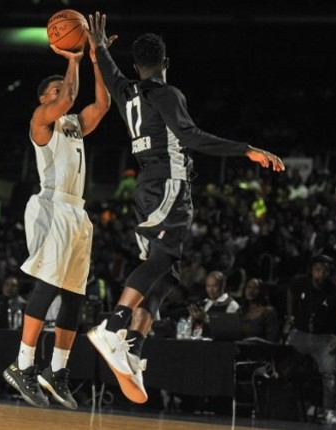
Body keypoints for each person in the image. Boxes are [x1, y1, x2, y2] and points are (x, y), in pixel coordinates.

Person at [84, 12, 285, 405]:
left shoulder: (126, 91)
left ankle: (133, 348)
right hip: (168, 184)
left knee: (165, 278)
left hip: (147, 187)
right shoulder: (166, 93)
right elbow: (191, 136)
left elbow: (109, 72)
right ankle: (113, 325)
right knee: (160, 264)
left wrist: (99, 49)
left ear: (137, 64)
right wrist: (247, 149)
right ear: (165, 62)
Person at [0, 33, 112, 410]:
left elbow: (103, 102)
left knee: (75, 298)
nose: (64, 91)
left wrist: (98, 57)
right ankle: (23, 364)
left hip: (77, 212)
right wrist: (74, 59)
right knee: (46, 288)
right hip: (52, 206)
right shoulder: (41, 120)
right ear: (44, 98)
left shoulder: (75, 125)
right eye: (57, 88)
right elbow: (69, 96)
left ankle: (57, 371)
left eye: (64, 86)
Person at [286, 254, 336, 424]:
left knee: (329, 372)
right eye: (317, 269)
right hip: (300, 334)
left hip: (324, 338)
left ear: (330, 273)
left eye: (325, 271)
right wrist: (290, 316)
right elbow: (290, 291)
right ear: (311, 270)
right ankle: (284, 407)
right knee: (281, 363)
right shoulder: (299, 283)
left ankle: (329, 411)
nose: (320, 274)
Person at [186, 271, 239, 338]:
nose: (211, 290)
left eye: (214, 286)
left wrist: (207, 319)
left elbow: (228, 330)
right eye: (208, 286)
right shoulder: (204, 303)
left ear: (223, 285)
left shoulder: (231, 305)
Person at [238, 278, 281, 343]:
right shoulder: (240, 311)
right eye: (249, 287)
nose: (251, 291)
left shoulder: (267, 312)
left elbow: (272, 340)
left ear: (262, 291)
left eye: (256, 288)